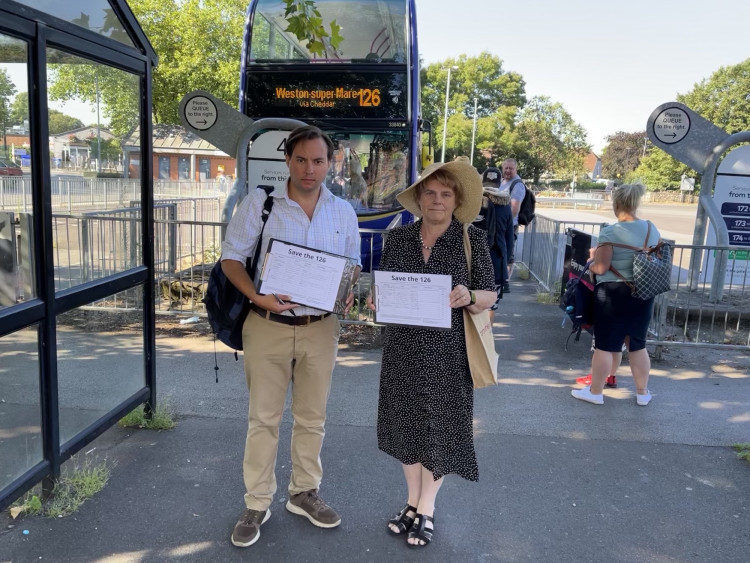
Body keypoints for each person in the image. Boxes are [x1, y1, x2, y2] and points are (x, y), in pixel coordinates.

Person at [221, 125, 362, 548]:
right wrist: (257, 297)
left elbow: (351, 270)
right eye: (301, 159)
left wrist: (348, 294)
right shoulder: (261, 203)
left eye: (318, 160)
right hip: (268, 328)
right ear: (287, 160)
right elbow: (231, 259)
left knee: (312, 418)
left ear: (329, 163)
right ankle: (257, 502)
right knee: (263, 419)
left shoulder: (344, 212)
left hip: (320, 330)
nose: (309, 169)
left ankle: (304, 493)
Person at [366, 158, 497, 548]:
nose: (437, 200)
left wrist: (470, 296)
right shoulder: (399, 239)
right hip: (403, 350)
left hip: (450, 353)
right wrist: (378, 300)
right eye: (430, 192)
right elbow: (385, 287)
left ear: (456, 201)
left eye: (445, 194)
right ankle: (410, 501)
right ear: (419, 198)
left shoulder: (471, 240)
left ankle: (427, 507)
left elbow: (490, 293)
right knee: (405, 425)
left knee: (438, 429)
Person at [571, 183, 660, 406]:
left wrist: (591, 260)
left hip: (612, 294)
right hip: (643, 292)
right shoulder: (651, 229)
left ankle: (595, 392)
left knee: (605, 345)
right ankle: (642, 393)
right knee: (637, 344)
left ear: (617, 203)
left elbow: (601, 268)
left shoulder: (610, 232)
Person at [474, 183, 514, 316]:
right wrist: (507, 262)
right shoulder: (505, 205)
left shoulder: (474, 202)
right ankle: (488, 334)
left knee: (472, 304)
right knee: (491, 306)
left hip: (475, 261)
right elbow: (509, 239)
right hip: (497, 261)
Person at [499, 158, 527, 291]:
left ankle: (506, 282)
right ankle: (501, 278)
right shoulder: (502, 181)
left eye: (511, 168)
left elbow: (514, 210)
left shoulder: (517, 185)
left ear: (516, 169)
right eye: (506, 168)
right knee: (500, 252)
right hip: (500, 224)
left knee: (508, 253)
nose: (508, 171)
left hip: (509, 226)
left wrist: (501, 222)